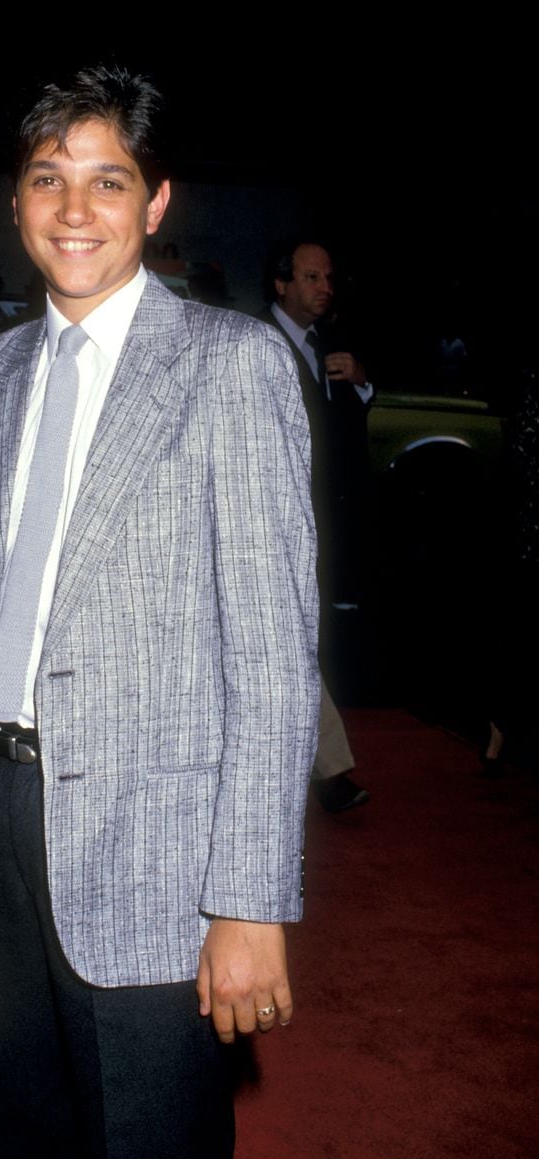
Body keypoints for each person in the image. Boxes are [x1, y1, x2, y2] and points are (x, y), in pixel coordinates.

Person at [0, 68, 319, 1159]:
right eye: (48, 180)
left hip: (160, 845)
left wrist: (251, 899)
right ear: (13, 204)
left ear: (155, 203)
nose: (74, 210)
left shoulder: (233, 367)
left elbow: (272, 658)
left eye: (107, 181)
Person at [260, 239, 372, 813]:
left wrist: (361, 383)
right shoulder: (257, 342)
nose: (324, 286)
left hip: (315, 519)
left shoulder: (327, 346)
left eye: (328, 276)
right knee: (290, 644)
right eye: (310, 277)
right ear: (281, 285)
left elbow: (336, 436)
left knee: (295, 643)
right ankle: (327, 774)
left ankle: (323, 773)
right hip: (267, 520)